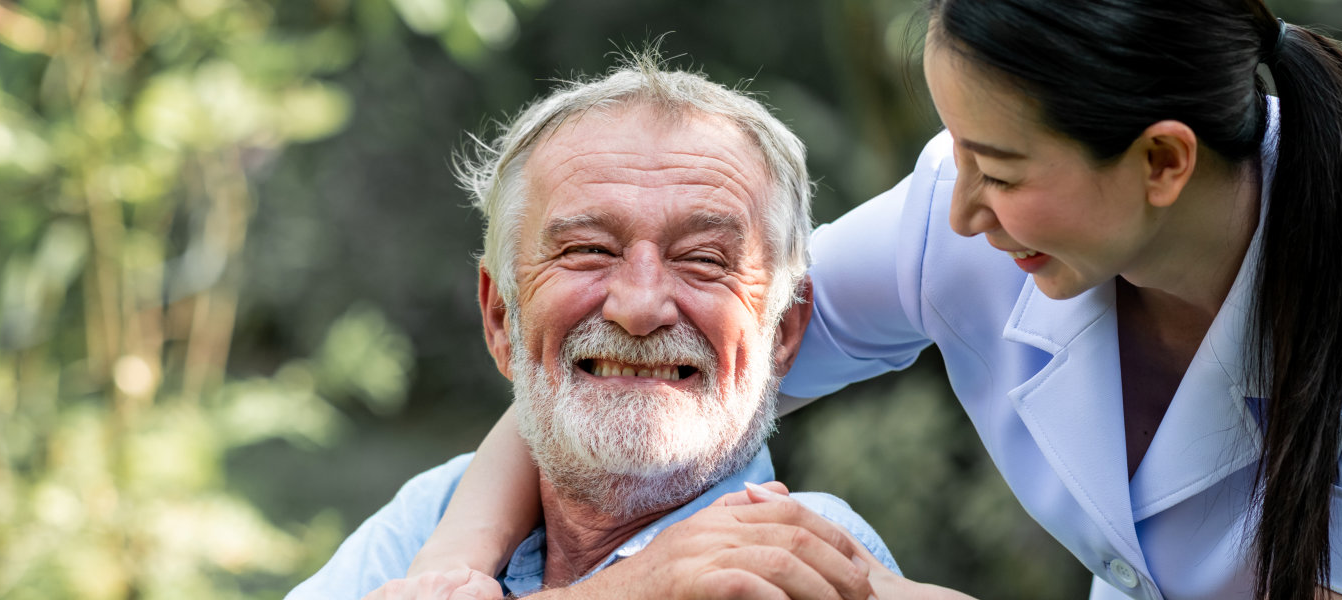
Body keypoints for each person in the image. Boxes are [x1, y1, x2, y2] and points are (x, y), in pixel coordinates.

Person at [399, 1, 1342, 598]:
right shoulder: (962, 211)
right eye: (954, 149)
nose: (960, 207)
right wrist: (455, 561)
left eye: (1000, 170)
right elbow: (649, 353)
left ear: (1159, 164)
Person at [286, 53, 904, 599]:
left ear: (785, 332)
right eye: (588, 250)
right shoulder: (437, 509)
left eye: (704, 260)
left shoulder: (802, 552)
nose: (638, 307)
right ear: (501, 318)